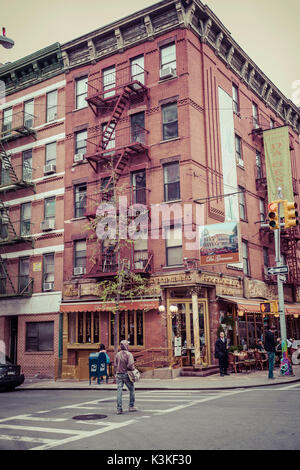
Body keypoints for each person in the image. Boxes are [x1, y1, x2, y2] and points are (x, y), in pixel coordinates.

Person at [114, 340, 137, 415]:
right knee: (132, 389)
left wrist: (116, 373)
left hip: (119, 375)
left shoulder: (117, 354)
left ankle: (119, 409)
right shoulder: (129, 354)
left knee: (119, 391)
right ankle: (131, 406)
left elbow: (115, 364)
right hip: (126, 374)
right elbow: (131, 365)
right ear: (126, 346)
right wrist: (133, 369)